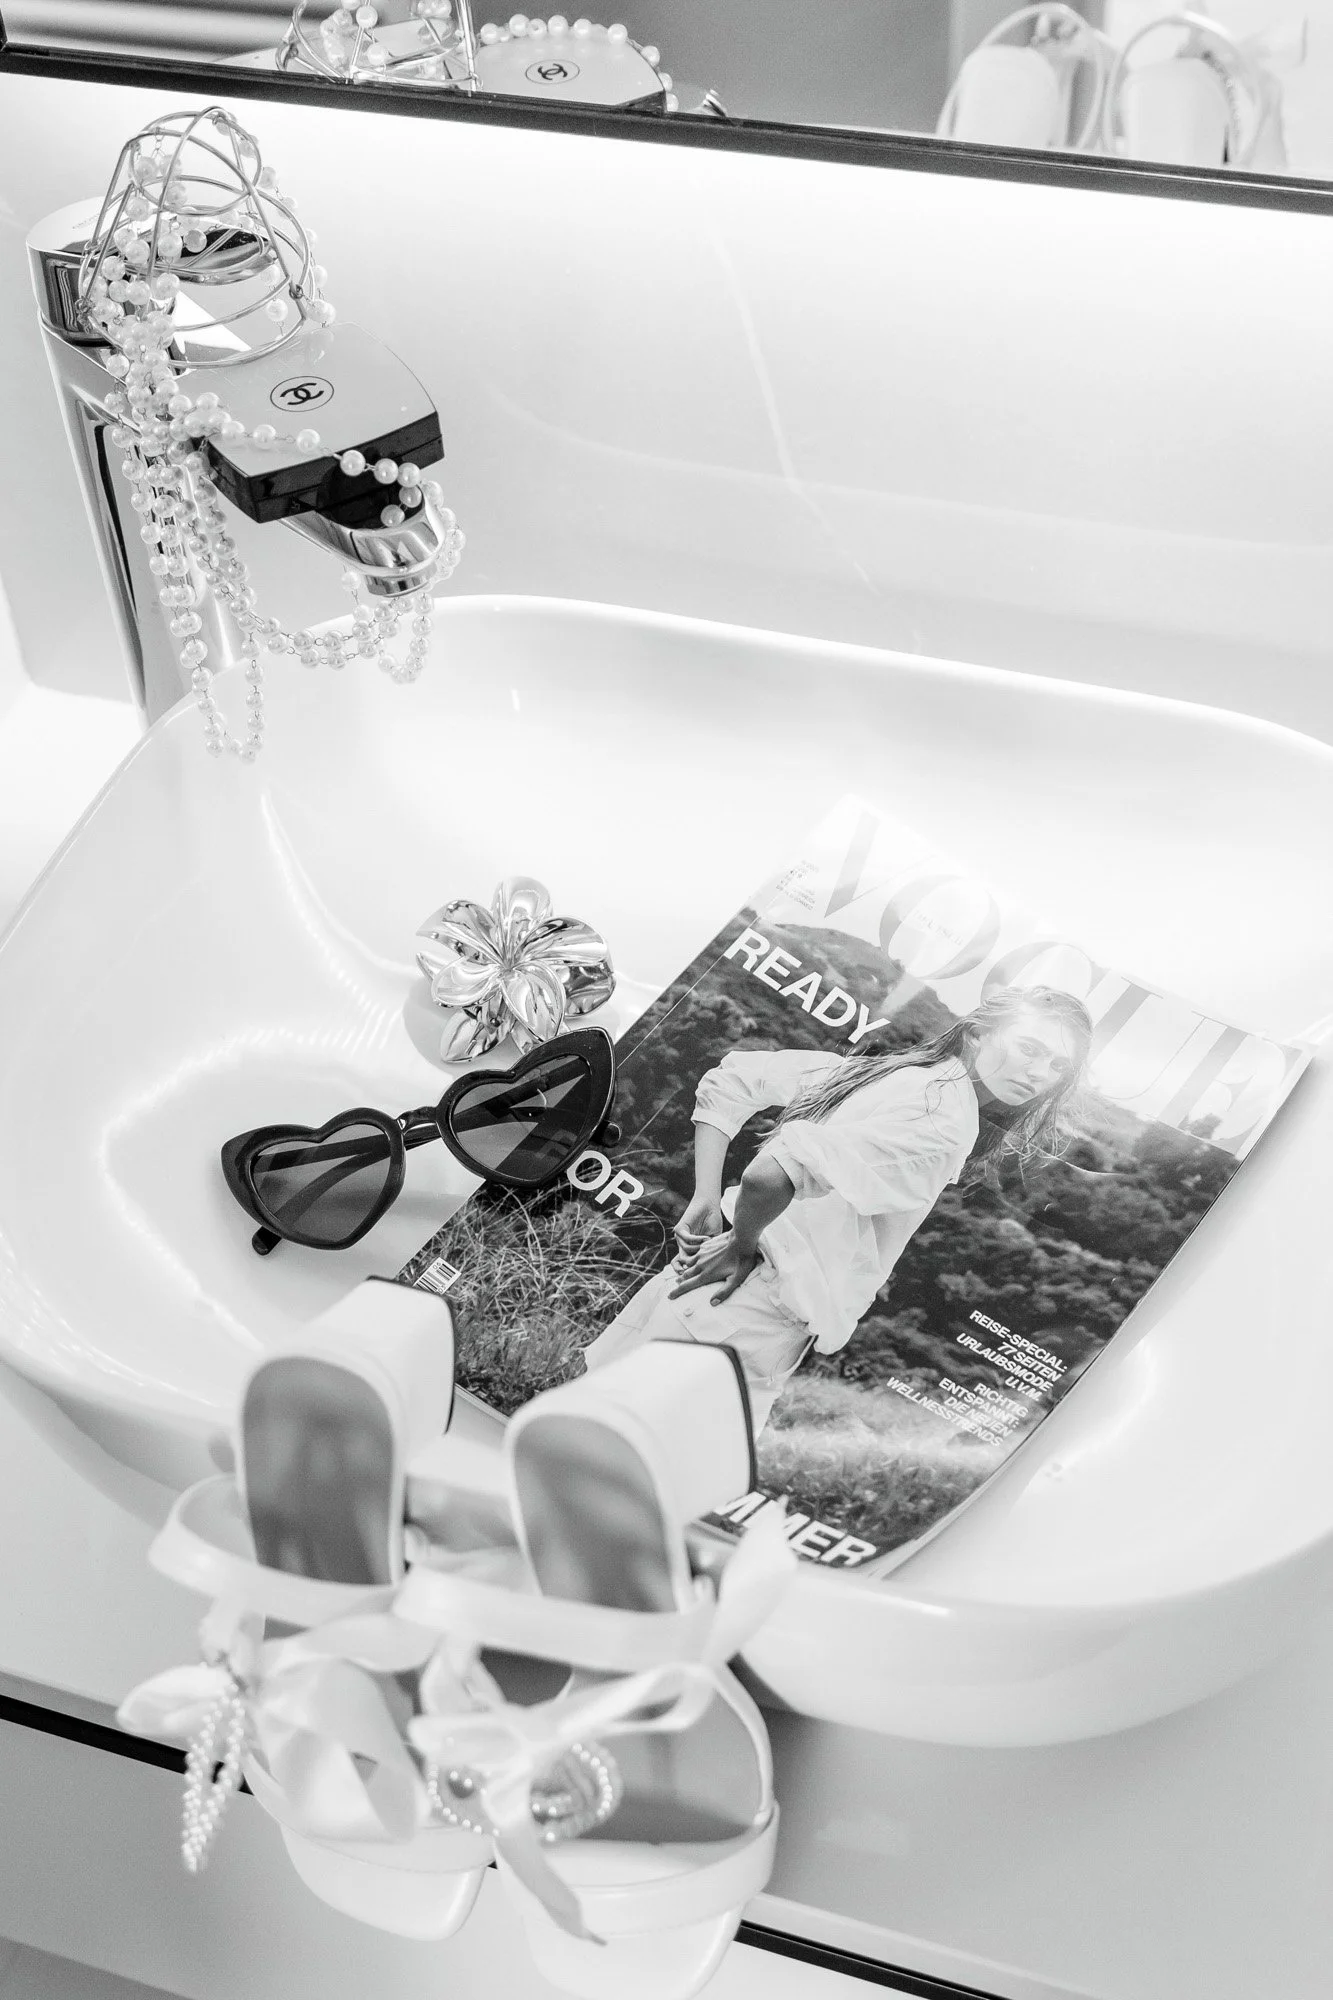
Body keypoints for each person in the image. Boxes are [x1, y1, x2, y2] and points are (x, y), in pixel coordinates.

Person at [581, 986, 1093, 1433]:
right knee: (648, 1479)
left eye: (1057, 1067)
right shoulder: (944, 1124)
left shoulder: (893, 1071)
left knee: (582, 1430)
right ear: (979, 1033)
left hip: (700, 1286)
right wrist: (741, 1242)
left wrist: (707, 1197)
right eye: (1030, 1048)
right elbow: (771, 1173)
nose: (1040, 1074)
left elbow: (736, 1079)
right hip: (746, 1312)